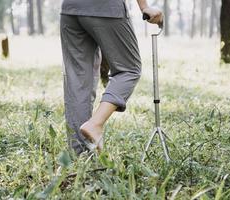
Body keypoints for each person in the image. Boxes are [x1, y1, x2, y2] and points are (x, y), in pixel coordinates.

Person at [60, 0, 163, 154]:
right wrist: (145, 7)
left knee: (77, 80)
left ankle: (79, 154)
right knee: (129, 69)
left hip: (71, 9)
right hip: (107, 8)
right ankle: (95, 123)